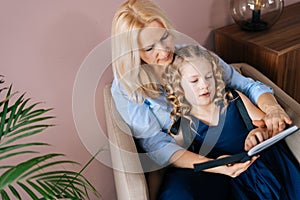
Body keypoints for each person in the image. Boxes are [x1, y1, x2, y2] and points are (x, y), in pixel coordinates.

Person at [110, 0, 293, 199]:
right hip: (190, 163)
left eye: (165, 37)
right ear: (131, 52)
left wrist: (272, 109)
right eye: (149, 48)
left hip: (234, 152)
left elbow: (246, 85)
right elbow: (158, 148)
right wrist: (212, 166)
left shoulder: (192, 56)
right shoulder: (126, 88)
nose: (164, 51)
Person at [162, 45, 300, 199]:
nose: (204, 85)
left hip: (262, 167)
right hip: (231, 180)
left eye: (209, 77)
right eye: (194, 81)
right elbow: (175, 158)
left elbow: (268, 125)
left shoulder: (233, 99)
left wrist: (259, 132)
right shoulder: (183, 124)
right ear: (177, 87)